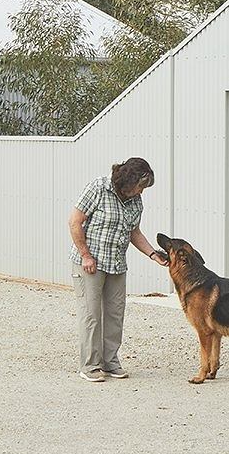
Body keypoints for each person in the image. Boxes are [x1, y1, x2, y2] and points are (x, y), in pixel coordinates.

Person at [68, 157, 167, 381]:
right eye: (140, 186)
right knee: (91, 315)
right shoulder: (98, 188)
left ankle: (110, 361)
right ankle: (90, 365)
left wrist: (153, 254)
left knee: (115, 314)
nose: (142, 192)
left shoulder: (135, 201)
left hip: (116, 264)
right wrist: (85, 255)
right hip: (90, 263)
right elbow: (74, 222)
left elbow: (134, 233)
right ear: (128, 181)